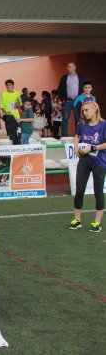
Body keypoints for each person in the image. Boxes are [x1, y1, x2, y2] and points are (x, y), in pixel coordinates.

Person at [69, 101, 105, 233]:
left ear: (95, 109)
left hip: (100, 162)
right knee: (79, 190)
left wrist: (93, 148)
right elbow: (77, 135)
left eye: (86, 110)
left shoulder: (103, 125)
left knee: (98, 192)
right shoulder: (82, 124)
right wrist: (76, 146)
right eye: (83, 111)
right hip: (84, 161)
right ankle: (77, 220)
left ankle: (97, 223)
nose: (84, 113)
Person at [57, 62, 84, 136]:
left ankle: (77, 135)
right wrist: (62, 100)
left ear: (74, 67)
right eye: (67, 67)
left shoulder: (80, 77)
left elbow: (83, 89)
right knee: (65, 119)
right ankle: (64, 135)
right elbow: (59, 89)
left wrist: (81, 99)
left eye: (70, 67)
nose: (68, 68)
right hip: (67, 101)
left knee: (77, 119)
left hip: (77, 101)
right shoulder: (64, 78)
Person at [0, 79, 22, 144]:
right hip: (6, 114)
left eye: (10, 85)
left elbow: (20, 103)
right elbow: (1, 105)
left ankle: (15, 141)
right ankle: (13, 141)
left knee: (16, 128)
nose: (8, 86)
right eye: (7, 85)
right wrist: (6, 112)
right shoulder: (3, 94)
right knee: (11, 120)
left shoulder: (17, 93)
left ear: (13, 85)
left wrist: (17, 104)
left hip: (16, 114)